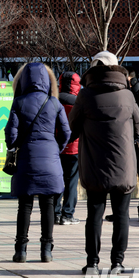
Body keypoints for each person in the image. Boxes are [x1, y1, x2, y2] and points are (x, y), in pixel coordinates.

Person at [68, 51, 139, 276]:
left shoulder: (85, 95)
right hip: (124, 165)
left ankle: (92, 263)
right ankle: (117, 263)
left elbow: (73, 126)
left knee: (94, 214)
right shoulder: (127, 95)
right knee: (121, 214)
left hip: (94, 165)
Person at [5, 63, 70, 263]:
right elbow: (66, 132)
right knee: (48, 204)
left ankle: (21, 250)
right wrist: (55, 148)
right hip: (50, 159)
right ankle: (46, 250)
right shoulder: (54, 103)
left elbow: (10, 134)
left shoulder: (19, 102)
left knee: (24, 205)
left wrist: (16, 145)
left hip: (26, 159)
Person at [106, 67, 139, 223]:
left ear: (130, 79)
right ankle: (121, 212)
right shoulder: (124, 96)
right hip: (124, 144)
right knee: (122, 179)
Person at [54, 71, 81, 226]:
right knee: (71, 182)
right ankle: (67, 214)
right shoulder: (78, 102)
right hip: (74, 147)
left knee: (57, 180)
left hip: (55, 147)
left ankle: (55, 213)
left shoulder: (53, 100)